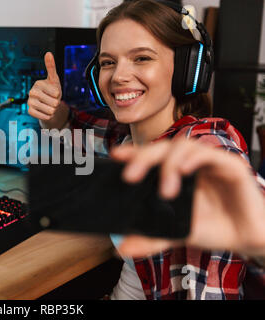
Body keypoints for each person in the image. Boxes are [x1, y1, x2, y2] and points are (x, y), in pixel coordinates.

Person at [27, 0, 264, 299]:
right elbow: (84, 130)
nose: (118, 76)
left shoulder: (205, 145)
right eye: (108, 62)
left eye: (141, 58)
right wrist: (55, 115)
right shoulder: (130, 141)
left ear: (187, 69)